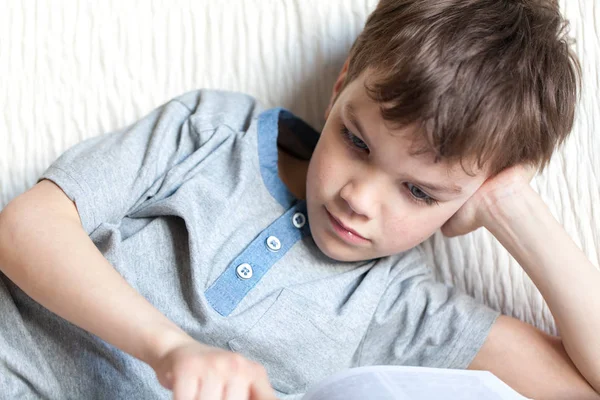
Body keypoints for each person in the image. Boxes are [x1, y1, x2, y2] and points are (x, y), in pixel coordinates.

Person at [0, 0, 598, 399]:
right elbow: (26, 226)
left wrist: (513, 206)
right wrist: (169, 348)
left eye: (418, 191)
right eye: (355, 141)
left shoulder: (402, 309)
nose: (357, 197)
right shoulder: (215, 134)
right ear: (341, 87)